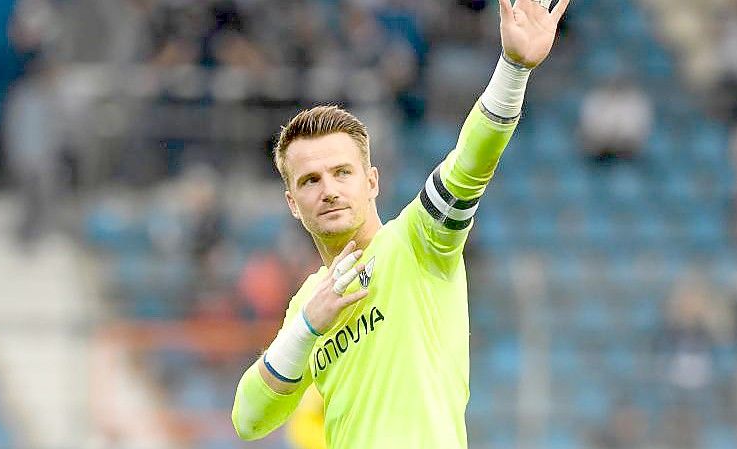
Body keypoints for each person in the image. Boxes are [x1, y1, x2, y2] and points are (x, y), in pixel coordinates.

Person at [231, 0, 570, 447]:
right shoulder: (309, 304)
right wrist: (307, 327)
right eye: (311, 180)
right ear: (293, 203)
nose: (328, 189)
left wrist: (513, 70)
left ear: (372, 181)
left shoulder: (419, 241)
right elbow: (248, 420)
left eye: (342, 172)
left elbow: (470, 162)